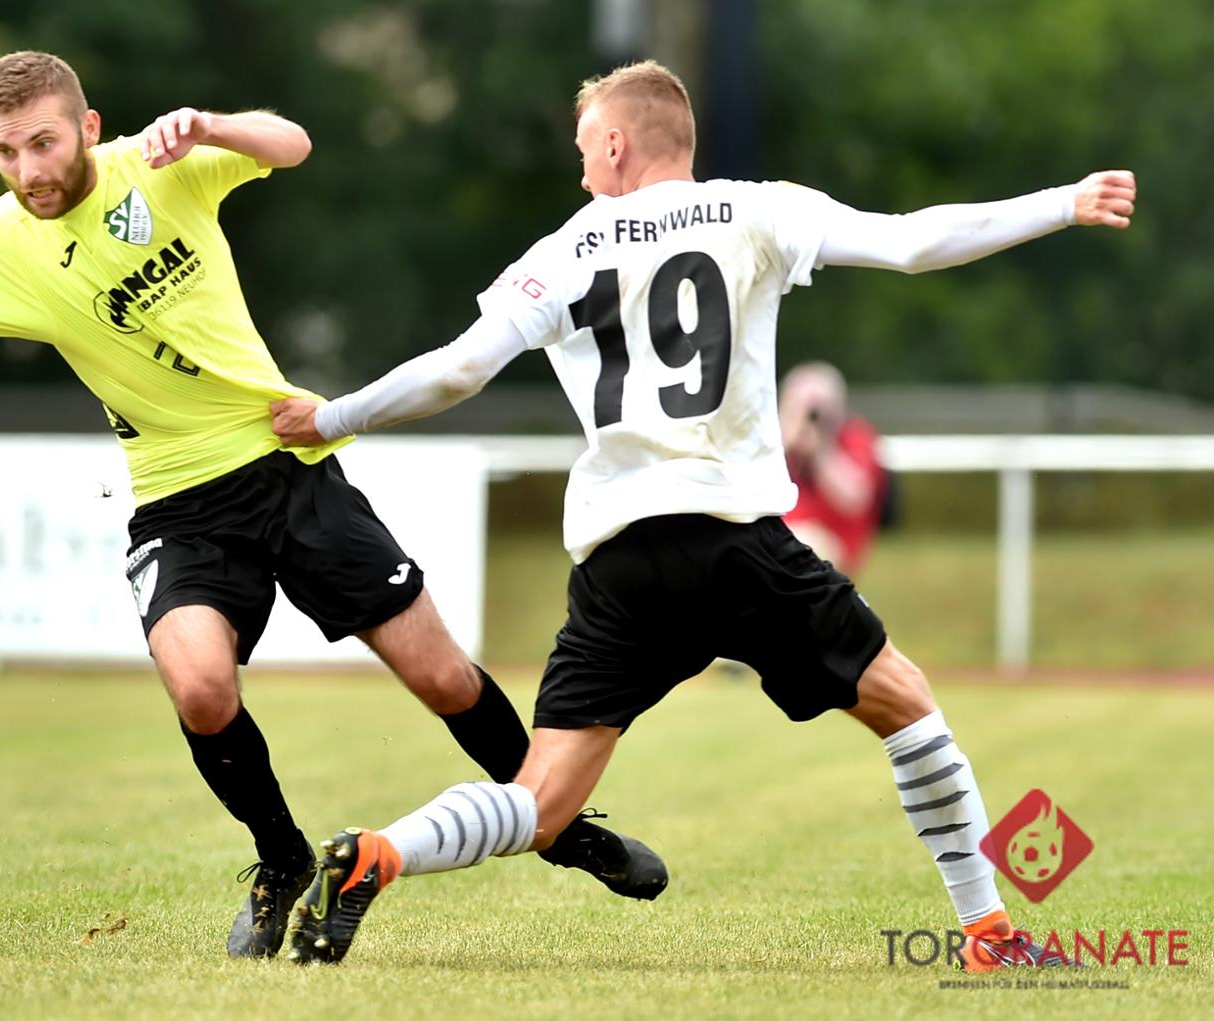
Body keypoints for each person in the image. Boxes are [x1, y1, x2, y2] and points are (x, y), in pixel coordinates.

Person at [0, 50, 666, 960]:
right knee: (198, 686)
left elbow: (292, 143)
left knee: (442, 678)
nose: (28, 170)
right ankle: (282, 859)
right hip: (177, 501)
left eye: (43, 142)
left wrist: (209, 126)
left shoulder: (162, 164)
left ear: (87, 127)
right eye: (5, 151)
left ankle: (560, 828)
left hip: (289, 465)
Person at [270, 60, 1135, 968]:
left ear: (616, 143)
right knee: (909, 707)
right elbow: (913, 242)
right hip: (735, 543)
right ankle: (990, 935)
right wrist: (1061, 203)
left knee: (543, 801)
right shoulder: (755, 209)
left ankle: (380, 852)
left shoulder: (562, 251)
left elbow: (456, 370)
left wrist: (332, 418)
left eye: (583, 150)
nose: (581, 174)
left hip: (619, 563)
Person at [779, 361, 888, 576]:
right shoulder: (771, 441)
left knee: (802, 545)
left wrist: (822, 451)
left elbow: (855, 499)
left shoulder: (856, 438)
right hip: (782, 537)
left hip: (829, 545)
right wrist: (784, 444)